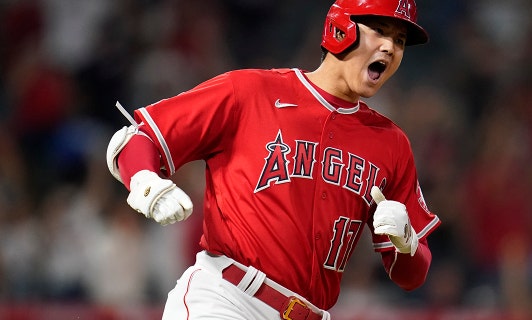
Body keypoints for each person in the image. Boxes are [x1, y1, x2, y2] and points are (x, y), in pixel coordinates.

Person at [105, 0, 441, 319]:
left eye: (399, 40)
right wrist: (147, 184)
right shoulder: (251, 92)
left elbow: (411, 275)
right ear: (342, 28)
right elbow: (136, 138)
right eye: (380, 30)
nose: (390, 47)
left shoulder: (391, 144)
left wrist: (407, 241)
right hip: (227, 298)